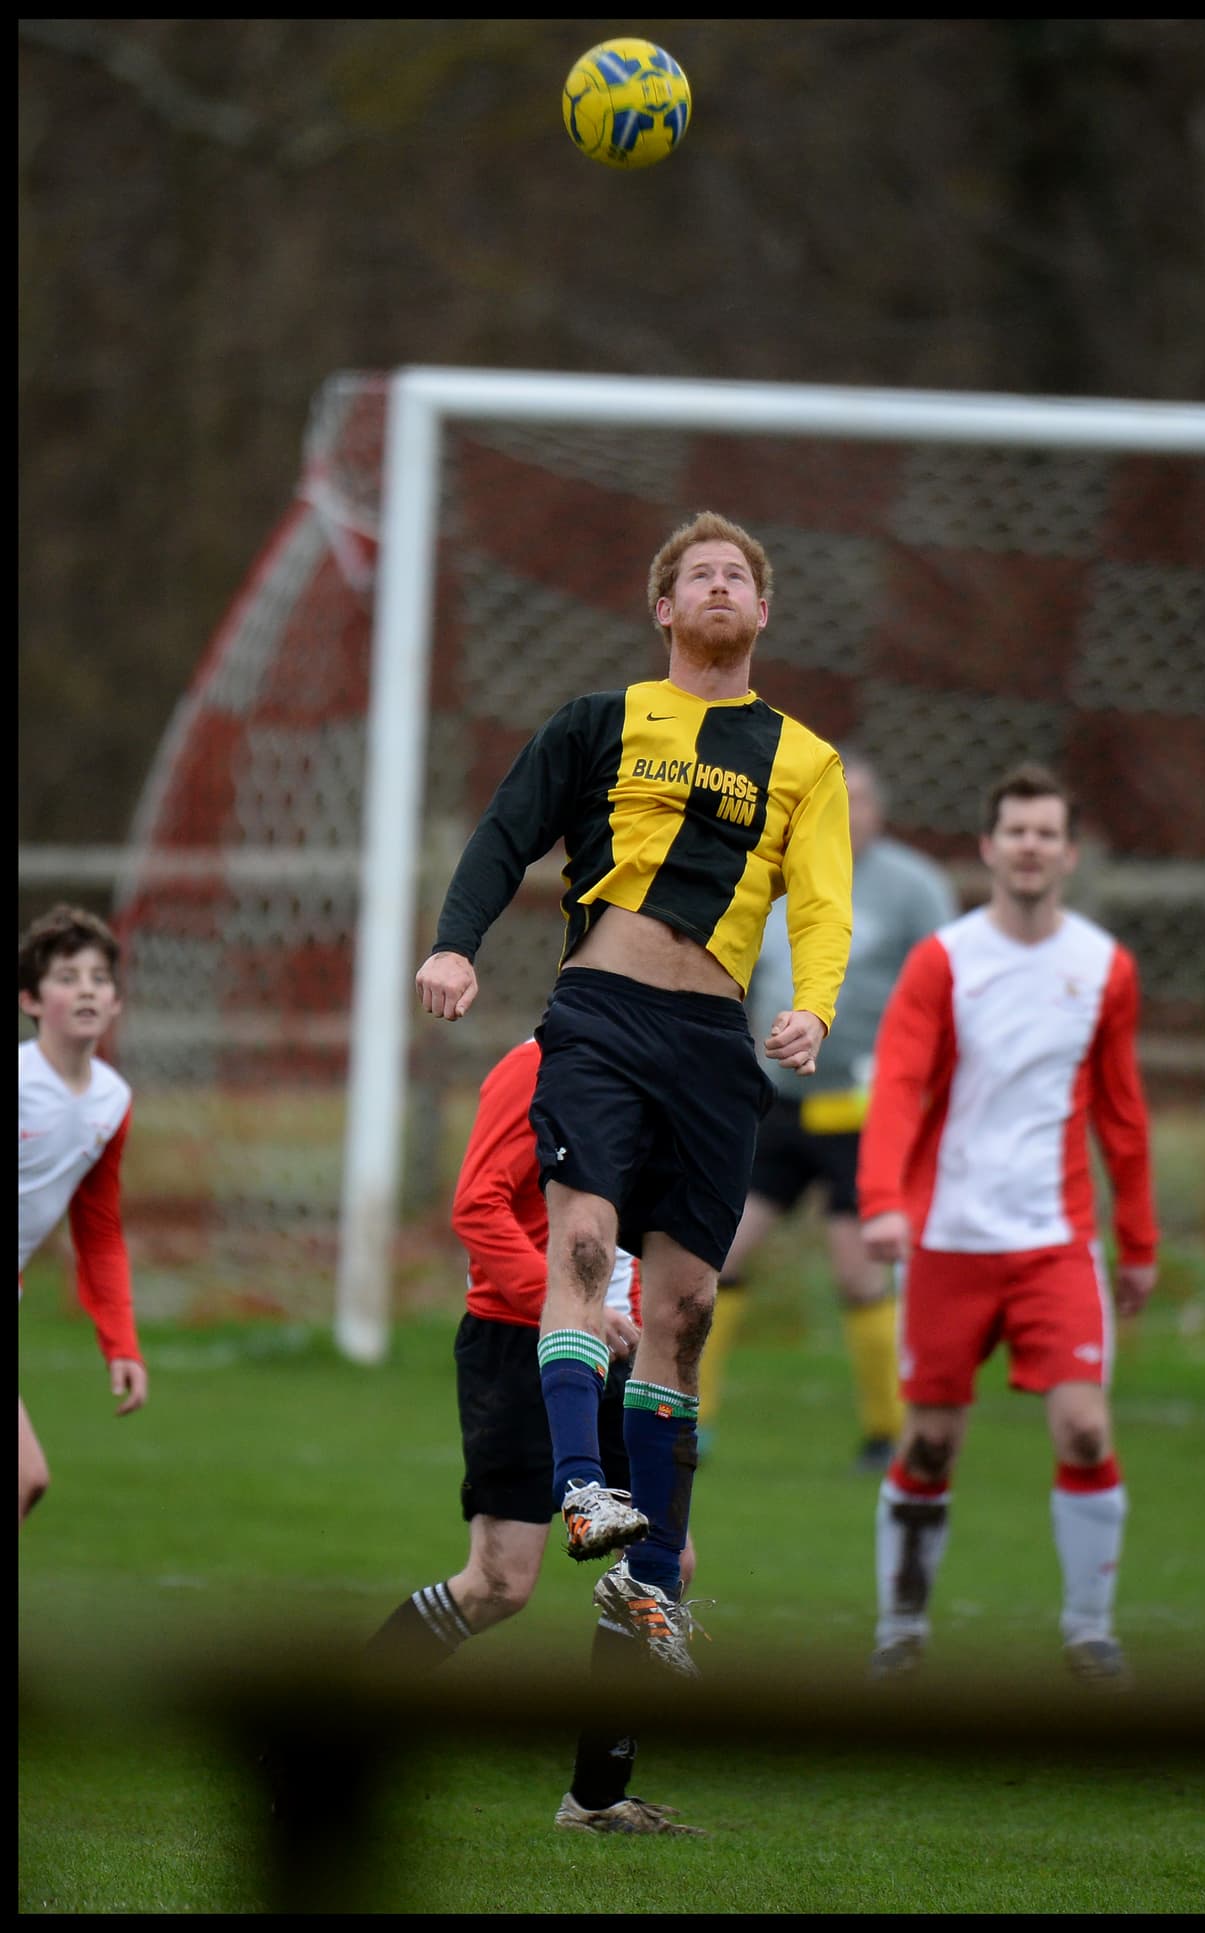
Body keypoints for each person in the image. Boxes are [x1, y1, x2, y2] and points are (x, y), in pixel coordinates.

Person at [415, 510, 853, 1675]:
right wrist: (456, 945)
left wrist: (813, 1000)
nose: (718, 585)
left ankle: (651, 1597)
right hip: (601, 1016)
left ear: (760, 613)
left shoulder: (803, 762)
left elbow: (818, 901)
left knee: (687, 1310)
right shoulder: (597, 723)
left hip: (713, 1043)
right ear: (663, 610)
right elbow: (504, 835)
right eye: (696, 575)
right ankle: (580, 1491)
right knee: (581, 1243)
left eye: (738, 577)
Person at [856, 763, 1159, 1686]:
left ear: (1068, 853)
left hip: (1055, 1244)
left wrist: (1138, 1241)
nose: (1029, 846)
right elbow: (900, 1086)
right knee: (931, 1442)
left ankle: (1089, 1632)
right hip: (948, 1241)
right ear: (989, 847)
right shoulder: (944, 960)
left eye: (1046, 833)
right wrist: (883, 1202)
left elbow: (1122, 1112)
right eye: (1014, 831)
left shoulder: (1103, 967)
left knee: (1083, 1431)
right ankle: (901, 1629)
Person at [366, 1036, 705, 1836]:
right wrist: (571, 1306)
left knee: (664, 1559)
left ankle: (595, 1798)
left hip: (623, 1352)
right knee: (500, 1583)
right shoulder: (540, 1062)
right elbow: (477, 1207)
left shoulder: (677, 1060)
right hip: (522, 1344)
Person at [700, 752, 958, 1473]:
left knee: (859, 1273)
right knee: (720, 1255)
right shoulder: (776, 875)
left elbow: (947, 989)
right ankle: (691, 1417)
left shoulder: (912, 888)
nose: (848, 813)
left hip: (863, 1112)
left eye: (861, 800)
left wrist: (924, 1084)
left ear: (880, 810)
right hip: (775, 1105)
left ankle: (889, 1432)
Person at [18, 904, 148, 1525]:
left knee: (25, 1482)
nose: (86, 989)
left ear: (117, 1001)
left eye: (98, 977)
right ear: (31, 1000)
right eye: (67, 977)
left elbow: (97, 1234)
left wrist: (120, 1342)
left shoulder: (112, 1098)